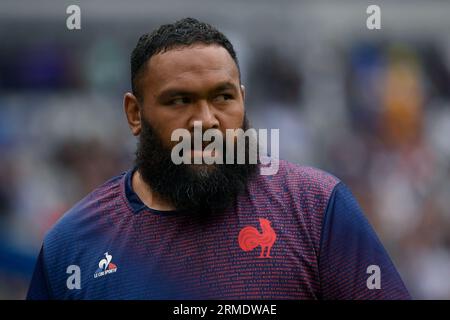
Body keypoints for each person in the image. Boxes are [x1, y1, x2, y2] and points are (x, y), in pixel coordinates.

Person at [27, 18, 410, 300]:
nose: (206, 120)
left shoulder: (316, 208)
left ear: (243, 98)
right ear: (135, 114)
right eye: (180, 100)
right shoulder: (73, 244)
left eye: (223, 97)